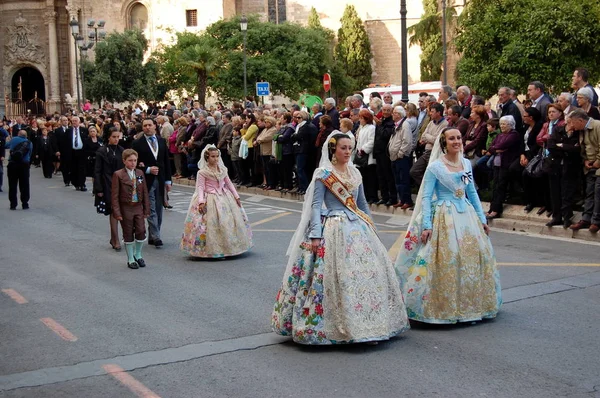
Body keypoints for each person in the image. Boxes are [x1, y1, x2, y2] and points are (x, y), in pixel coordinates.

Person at [271, 132, 409, 344]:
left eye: (349, 148)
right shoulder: (324, 174)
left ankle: (369, 322)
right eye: (343, 147)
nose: (347, 152)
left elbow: (362, 204)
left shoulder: (355, 173)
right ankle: (335, 325)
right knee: (335, 277)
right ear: (333, 149)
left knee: (364, 276)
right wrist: (315, 235)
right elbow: (316, 206)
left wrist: (371, 226)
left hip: (358, 229)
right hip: (334, 228)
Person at [395, 128, 501, 324]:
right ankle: (442, 306)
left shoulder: (466, 163)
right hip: (445, 214)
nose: (457, 141)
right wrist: (427, 225)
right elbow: (426, 197)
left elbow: (472, 192)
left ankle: (470, 305)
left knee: (470, 258)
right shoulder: (435, 167)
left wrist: (482, 219)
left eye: (459, 138)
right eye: (452, 138)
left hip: (466, 214)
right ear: (444, 143)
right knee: (449, 258)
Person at [180, 145, 252, 258]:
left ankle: (228, 247)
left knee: (227, 223)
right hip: (210, 198)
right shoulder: (202, 172)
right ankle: (209, 249)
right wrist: (201, 202)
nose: (216, 159)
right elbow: (200, 188)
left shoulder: (223, 169)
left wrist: (236, 196)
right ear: (207, 158)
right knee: (208, 224)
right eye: (213, 157)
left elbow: (228, 183)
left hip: (224, 197)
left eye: (217, 156)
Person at [132, 118, 172, 248]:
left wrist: (168, 180)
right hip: (145, 180)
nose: (147, 127)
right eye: (145, 126)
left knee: (159, 208)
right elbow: (133, 163)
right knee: (151, 208)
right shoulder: (137, 143)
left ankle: (153, 235)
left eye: (150, 125)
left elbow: (166, 161)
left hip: (160, 180)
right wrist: (147, 169)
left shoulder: (161, 141)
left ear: (155, 126)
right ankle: (156, 236)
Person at [111, 149, 150, 269]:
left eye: (135, 160)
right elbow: (115, 196)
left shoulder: (139, 173)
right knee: (128, 232)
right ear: (124, 161)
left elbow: (144, 192)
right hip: (126, 207)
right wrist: (117, 212)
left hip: (138, 206)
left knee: (141, 230)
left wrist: (146, 209)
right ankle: (130, 258)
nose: (133, 163)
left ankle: (138, 254)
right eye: (130, 160)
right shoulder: (118, 175)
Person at [545, 114, 581, 228]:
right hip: (555, 165)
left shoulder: (577, 133)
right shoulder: (558, 130)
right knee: (555, 192)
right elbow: (550, 146)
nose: (572, 125)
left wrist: (562, 146)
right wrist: (566, 149)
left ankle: (567, 217)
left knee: (567, 193)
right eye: (570, 122)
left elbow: (576, 149)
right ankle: (556, 217)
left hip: (569, 166)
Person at [94, 128, 125, 251]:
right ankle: (115, 239)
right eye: (114, 137)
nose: (116, 139)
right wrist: (99, 188)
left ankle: (118, 238)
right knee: (113, 211)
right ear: (108, 137)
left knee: (121, 211)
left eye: (118, 137)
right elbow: (97, 171)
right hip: (107, 184)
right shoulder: (102, 151)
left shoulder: (122, 150)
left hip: (121, 185)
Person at [353, 109, 378, 203]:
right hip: (361, 156)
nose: (360, 120)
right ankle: (366, 196)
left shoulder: (371, 128)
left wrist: (363, 149)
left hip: (368, 156)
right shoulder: (362, 127)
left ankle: (372, 196)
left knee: (370, 178)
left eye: (361, 118)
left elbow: (371, 141)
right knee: (363, 178)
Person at [7, 130, 33, 210]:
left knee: (12, 184)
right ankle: (25, 203)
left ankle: (13, 204)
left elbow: (6, 145)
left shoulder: (14, 139)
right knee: (24, 184)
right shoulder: (29, 143)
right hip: (24, 164)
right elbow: (30, 153)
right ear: (26, 135)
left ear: (18, 134)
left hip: (13, 163)